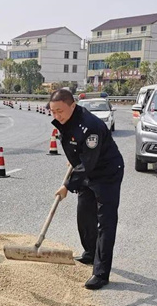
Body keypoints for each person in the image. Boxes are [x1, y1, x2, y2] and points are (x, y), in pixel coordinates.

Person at [48, 89, 124, 290]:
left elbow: (89, 162)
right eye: (53, 111)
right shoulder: (67, 120)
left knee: (105, 222)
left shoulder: (89, 127)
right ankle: (90, 252)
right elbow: (76, 148)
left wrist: (67, 186)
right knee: (84, 214)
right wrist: (73, 160)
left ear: (72, 106)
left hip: (106, 173)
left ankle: (101, 273)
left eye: (60, 111)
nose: (56, 115)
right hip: (86, 172)